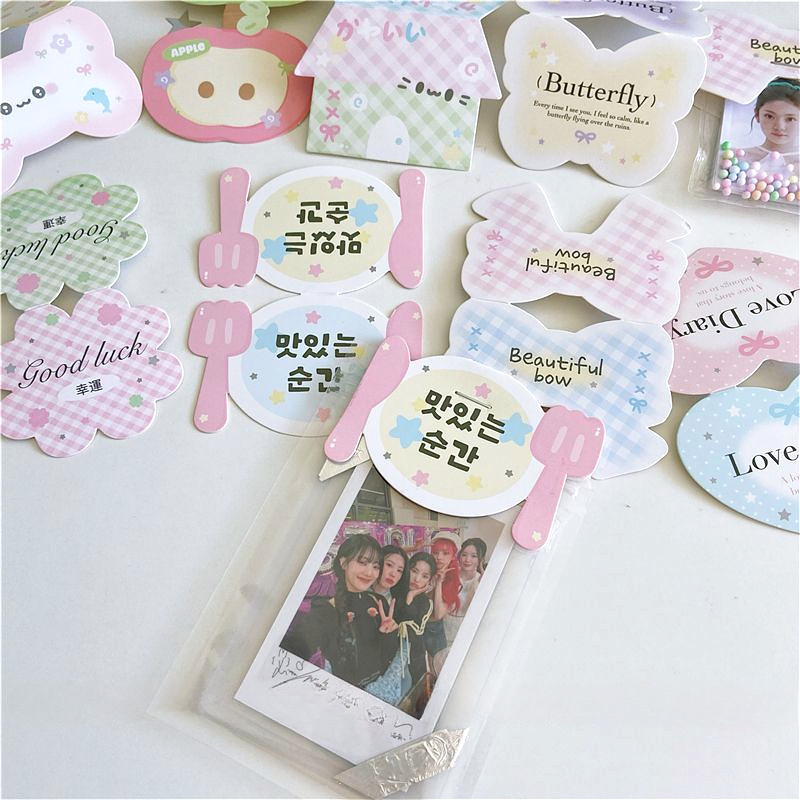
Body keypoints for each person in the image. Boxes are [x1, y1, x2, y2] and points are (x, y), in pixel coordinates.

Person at [280, 534, 399, 690]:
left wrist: (388, 634)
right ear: (343, 563)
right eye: (362, 562)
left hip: (378, 692)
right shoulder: (325, 609)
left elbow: (387, 658)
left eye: (376, 566)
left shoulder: (380, 603)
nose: (370, 573)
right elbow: (295, 649)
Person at [367, 551, 436, 704]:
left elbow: (414, 630)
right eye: (414, 571)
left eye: (424, 576)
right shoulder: (394, 590)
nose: (417, 579)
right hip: (384, 649)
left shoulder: (425, 603)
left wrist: (411, 596)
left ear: (429, 580)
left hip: (410, 658)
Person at [432, 537, 488, 674]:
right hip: (443, 629)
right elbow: (438, 612)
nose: (467, 560)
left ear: (480, 559)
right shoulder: (448, 575)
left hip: (465, 632)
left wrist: (485, 585)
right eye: (464, 555)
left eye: (473, 556)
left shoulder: (482, 580)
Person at [739, 78, 799, 170]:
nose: (779, 127)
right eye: (769, 116)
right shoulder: (738, 157)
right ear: (757, 115)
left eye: (790, 119)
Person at [424, 531, 461, 661]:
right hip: (415, 627)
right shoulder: (425, 570)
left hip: (434, 630)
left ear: (453, 556)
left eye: (445, 553)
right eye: (435, 552)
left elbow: (439, 614)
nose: (439, 557)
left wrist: (439, 583)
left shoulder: (452, 579)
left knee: (437, 666)